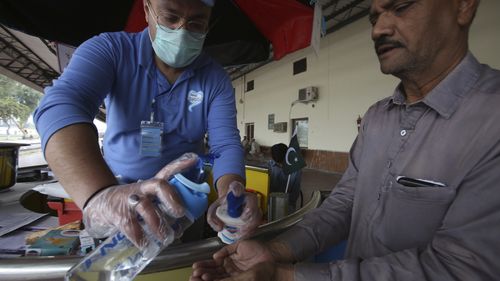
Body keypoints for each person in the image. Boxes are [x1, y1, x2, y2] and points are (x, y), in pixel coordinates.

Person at [191, 0, 500, 280]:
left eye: (402, 7)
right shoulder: (378, 118)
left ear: (463, 6)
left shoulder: (491, 121)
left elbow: (461, 268)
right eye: (373, 18)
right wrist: (275, 251)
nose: (379, 29)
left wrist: (285, 276)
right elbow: (343, 204)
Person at [33, 0, 261, 248]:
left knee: (179, 268)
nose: (182, 31)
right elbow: (60, 106)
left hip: (182, 204)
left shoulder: (214, 78)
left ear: (209, 23)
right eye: (170, 17)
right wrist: (100, 195)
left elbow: (225, 144)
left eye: (196, 23)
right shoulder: (111, 50)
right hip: (118, 198)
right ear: (147, 10)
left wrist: (230, 191)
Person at [268, 143, 302, 213]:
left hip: (287, 204)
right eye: (277, 163)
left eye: (282, 163)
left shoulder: (296, 169)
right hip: (270, 202)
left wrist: (281, 202)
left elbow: (294, 195)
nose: (280, 165)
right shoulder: (269, 166)